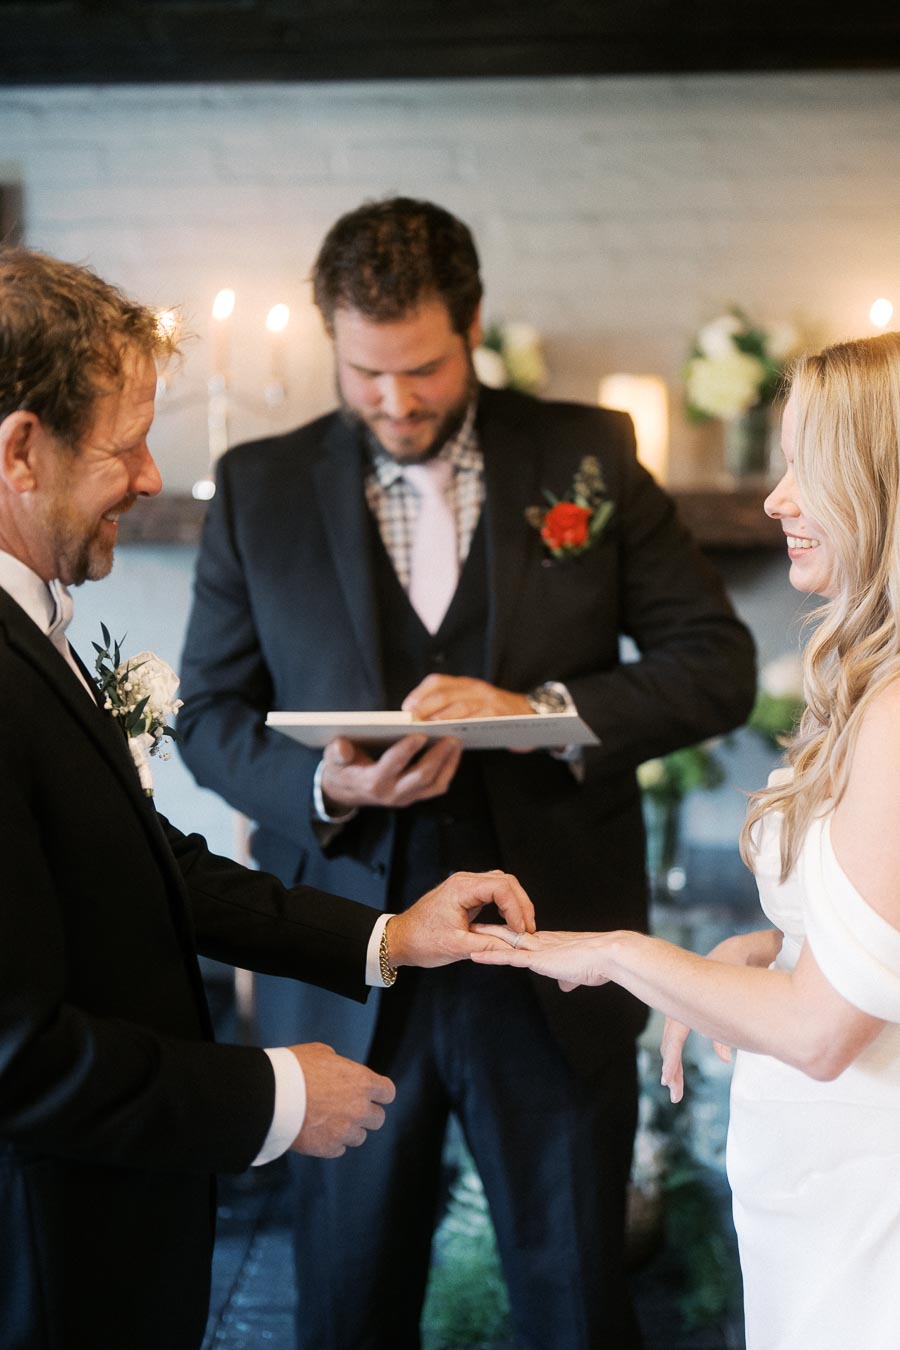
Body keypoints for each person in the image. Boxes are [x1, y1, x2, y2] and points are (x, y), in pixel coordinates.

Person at [178, 195, 757, 1348]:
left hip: (553, 965)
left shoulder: (588, 455)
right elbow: (206, 714)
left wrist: (542, 714)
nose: (395, 400)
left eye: (424, 370)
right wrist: (325, 789)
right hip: (348, 964)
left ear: (475, 327)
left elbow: (716, 664)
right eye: (365, 372)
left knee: (577, 1305)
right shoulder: (259, 486)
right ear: (331, 342)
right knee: (347, 1309)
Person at [0, 245, 535, 1350]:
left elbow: (149, 863)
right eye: (125, 445)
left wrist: (391, 936)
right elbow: (16, 1056)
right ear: (20, 451)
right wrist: (273, 1098)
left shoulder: (28, 626)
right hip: (41, 1267)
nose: (153, 477)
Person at [474, 330, 900, 1350]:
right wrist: (776, 947)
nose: (777, 500)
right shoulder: (875, 689)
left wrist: (623, 954)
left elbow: (820, 1033)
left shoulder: (895, 713)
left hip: (868, 1193)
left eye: (806, 466)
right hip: (823, 1183)